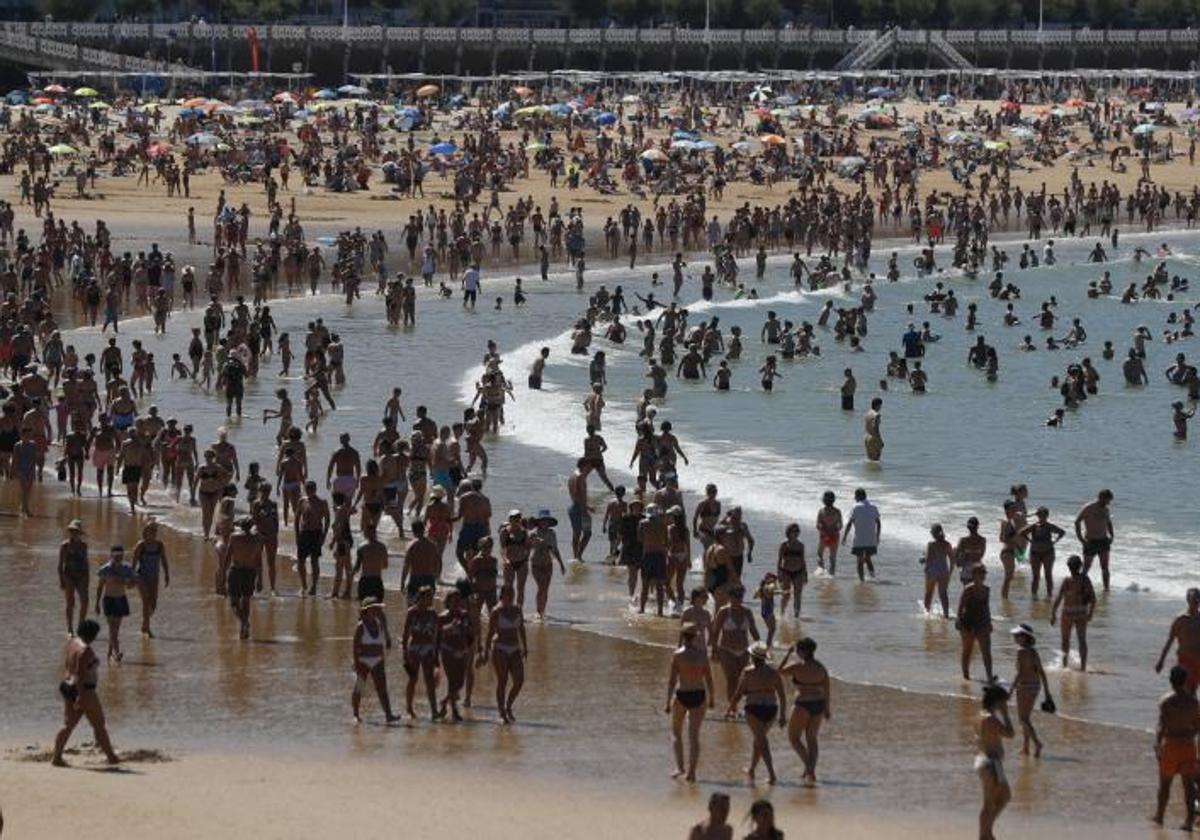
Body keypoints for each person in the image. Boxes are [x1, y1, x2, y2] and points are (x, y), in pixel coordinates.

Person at [51, 619, 119, 767]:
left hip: (66, 685)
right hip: (84, 689)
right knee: (99, 724)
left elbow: (68, 665)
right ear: (92, 635)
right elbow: (81, 674)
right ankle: (111, 757)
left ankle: (56, 757)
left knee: (68, 724)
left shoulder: (73, 642)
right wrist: (81, 696)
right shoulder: (85, 650)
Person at [728, 641, 786, 786]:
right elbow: (782, 695)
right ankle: (752, 769)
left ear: (753, 657)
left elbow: (738, 693)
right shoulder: (774, 672)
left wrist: (730, 708)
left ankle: (772, 774)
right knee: (759, 740)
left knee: (761, 741)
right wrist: (783, 715)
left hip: (753, 708)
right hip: (771, 708)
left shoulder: (748, 672)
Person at [666, 623, 715, 782]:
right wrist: (712, 697)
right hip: (699, 694)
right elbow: (709, 678)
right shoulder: (702, 655)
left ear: (682, 636)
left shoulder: (677, 655)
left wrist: (667, 702)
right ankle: (692, 772)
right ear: (695, 637)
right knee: (694, 736)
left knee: (676, 732)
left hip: (682, 694)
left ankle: (680, 767)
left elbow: (672, 681)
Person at [779, 637, 830, 786]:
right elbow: (827, 689)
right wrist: (827, 708)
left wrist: (787, 654)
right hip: (819, 704)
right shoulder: (821, 667)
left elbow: (780, 671)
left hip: (802, 703)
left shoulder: (798, 666)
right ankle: (810, 770)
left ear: (803, 651)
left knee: (794, 738)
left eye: (797, 650)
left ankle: (809, 768)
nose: (796, 653)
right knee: (812, 739)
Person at [1154, 665, 1199, 831]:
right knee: (1188, 786)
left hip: (1171, 744)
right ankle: (1189, 820)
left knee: (1165, 784)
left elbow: (1161, 726)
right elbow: (1197, 726)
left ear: (1170, 681)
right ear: (1185, 681)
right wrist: (1189, 736)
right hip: (1187, 745)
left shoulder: (1166, 701)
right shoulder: (1194, 703)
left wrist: (1157, 744)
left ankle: (1159, 816)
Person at [710, 586, 760, 717]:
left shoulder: (747, 612)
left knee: (741, 680)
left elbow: (753, 631)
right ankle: (733, 708)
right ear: (730, 597)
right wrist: (714, 651)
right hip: (726, 649)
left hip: (744, 650)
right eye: (735, 597)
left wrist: (761, 647)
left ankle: (738, 705)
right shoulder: (723, 612)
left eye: (740, 597)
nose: (738, 600)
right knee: (732, 679)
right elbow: (715, 632)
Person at [351, 599, 401, 724]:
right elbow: (355, 647)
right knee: (359, 688)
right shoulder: (361, 627)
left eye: (378, 609)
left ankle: (389, 715)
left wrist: (382, 659)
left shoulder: (379, 624)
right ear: (366, 611)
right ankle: (356, 714)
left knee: (382, 689)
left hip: (378, 661)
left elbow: (380, 645)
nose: (376, 611)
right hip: (363, 661)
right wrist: (356, 663)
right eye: (374, 609)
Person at [976, 683, 1015, 840]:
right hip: (992, 763)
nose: (1005, 705)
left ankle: (985, 834)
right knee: (1004, 797)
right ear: (998, 702)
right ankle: (986, 833)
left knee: (988, 803)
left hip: (982, 761)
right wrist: (1005, 715)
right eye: (1004, 702)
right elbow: (1010, 733)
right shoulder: (990, 719)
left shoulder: (979, 715)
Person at [484, 583, 527, 724]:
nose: (510, 595)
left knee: (519, 680)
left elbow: (521, 628)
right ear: (502, 595)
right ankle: (501, 712)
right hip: (500, 648)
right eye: (507, 593)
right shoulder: (496, 611)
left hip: (515, 647)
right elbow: (490, 632)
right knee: (502, 681)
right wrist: (485, 651)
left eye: (512, 593)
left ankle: (509, 706)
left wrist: (524, 646)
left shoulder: (517, 609)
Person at [1010, 623, 1053, 757]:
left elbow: (1020, 673)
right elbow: (1042, 672)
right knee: (1026, 718)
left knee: (1023, 719)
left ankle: (1037, 743)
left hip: (1024, 686)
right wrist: (1047, 693)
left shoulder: (1021, 652)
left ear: (1024, 637)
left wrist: (1010, 690)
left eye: (1017, 635)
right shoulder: (1034, 652)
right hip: (1035, 686)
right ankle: (1026, 747)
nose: (1015, 637)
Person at [1049, 555, 1096, 671]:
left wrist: (1053, 614)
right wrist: (1090, 614)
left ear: (1069, 567)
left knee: (1065, 641)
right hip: (1081, 613)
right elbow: (1093, 599)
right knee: (1082, 641)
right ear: (1080, 566)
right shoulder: (1085, 580)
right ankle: (1083, 667)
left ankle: (1064, 665)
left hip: (1067, 614)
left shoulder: (1067, 580)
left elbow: (1059, 598)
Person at [401, 586, 440, 720]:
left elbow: (436, 635)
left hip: (428, 647)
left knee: (429, 680)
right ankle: (409, 708)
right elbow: (405, 634)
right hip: (415, 647)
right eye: (429, 597)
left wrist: (435, 655)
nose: (432, 599)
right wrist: (404, 653)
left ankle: (434, 710)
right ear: (421, 597)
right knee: (413, 679)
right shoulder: (412, 612)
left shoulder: (433, 613)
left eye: (432, 596)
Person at [1155, 588, 1200, 692]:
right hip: (1185, 658)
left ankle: (1190, 708)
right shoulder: (1181, 619)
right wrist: (1161, 661)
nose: (1195, 602)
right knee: (1183, 689)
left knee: (1193, 689)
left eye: (1197, 599)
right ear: (1188, 600)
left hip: (1198, 660)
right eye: (1193, 599)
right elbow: (1170, 641)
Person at [95, 546, 134, 662]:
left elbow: (132, 585)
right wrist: (96, 603)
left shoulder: (126, 568)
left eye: (120, 556)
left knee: (116, 628)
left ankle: (110, 652)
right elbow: (100, 587)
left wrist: (125, 582)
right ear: (111, 556)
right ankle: (117, 653)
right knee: (113, 628)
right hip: (109, 600)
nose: (118, 558)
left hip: (121, 599)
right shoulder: (104, 570)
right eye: (116, 556)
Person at [131, 520, 169, 637]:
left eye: (154, 530)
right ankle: (147, 628)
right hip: (141, 576)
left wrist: (167, 575)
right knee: (146, 601)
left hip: (154, 577)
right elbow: (134, 564)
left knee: (153, 604)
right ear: (145, 531)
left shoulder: (159, 545)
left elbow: (164, 560)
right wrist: (131, 578)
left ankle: (144, 623)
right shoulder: (140, 546)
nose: (152, 533)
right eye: (150, 530)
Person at [957, 565, 994, 682]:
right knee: (968, 650)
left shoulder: (987, 589)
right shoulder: (968, 589)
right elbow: (960, 607)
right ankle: (966, 675)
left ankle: (989, 676)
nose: (982, 576)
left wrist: (989, 622)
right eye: (979, 573)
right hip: (967, 623)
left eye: (983, 573)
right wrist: (959, 621)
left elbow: (986, 607)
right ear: (973, 575)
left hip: (982, 622)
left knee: (986, 652)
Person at [1074, 489, 1114, 590]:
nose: (1108, 503)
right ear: (1101, 497)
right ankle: (1080, 587)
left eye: (1109, 501)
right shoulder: (1089, 507)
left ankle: (1106, 589)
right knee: (1086, 568)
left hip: (1103, 541)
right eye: (1107, 500)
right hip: (1090, 541)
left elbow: (1109, 523)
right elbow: (1077, 522)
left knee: (1105, 567)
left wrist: (1112, 535)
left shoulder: (1106, 509)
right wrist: (1081, 540)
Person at [57, 520, 89, 636]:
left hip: (81, 576)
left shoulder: (84, 546)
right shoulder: (64, 546)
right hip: (69, 576)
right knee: (70, 603)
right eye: (71, 531)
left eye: (75, 531)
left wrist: (87, 580)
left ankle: (81, 625)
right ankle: (70, 628)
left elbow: (86, 563)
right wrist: (61, 580)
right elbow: (60, 565)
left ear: (79, 533)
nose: (73, 533)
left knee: (85, 602)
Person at [841, 487, 880, 582]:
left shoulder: (855, 507)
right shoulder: (873, 507)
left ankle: (861, 581)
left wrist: (844, 537)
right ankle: (873, 576)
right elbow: (878, 523)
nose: (854, 498)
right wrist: (877, 536)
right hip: (871, 539)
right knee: (868, 558)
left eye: (855, 496)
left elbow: (850, 523)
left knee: (859, 561)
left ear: (857, 497)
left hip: (859, 539)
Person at [922, 524, 953, 618]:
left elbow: (928, 559)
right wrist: (950, 571)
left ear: (933, 533)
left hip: (932, 571)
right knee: (943, 594)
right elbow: (952, 559)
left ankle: (926, 613)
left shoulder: (931, 545)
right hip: (944, 570)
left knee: (929, 593)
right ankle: (946, 614)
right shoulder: (947, 544)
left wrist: (922, 558)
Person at [776, 524, 806, 619]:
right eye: (793, 531)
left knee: (798, 595)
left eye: (797, 531)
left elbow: (803, 560)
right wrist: (779, 573)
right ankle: (782, 613)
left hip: (799, 571)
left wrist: (805, 573)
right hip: (786, 571)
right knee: (786, 594)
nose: (795, 533)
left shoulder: (801, 545)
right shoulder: (784, 545)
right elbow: (780, 560)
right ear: (788, 532)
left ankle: (797, 615)